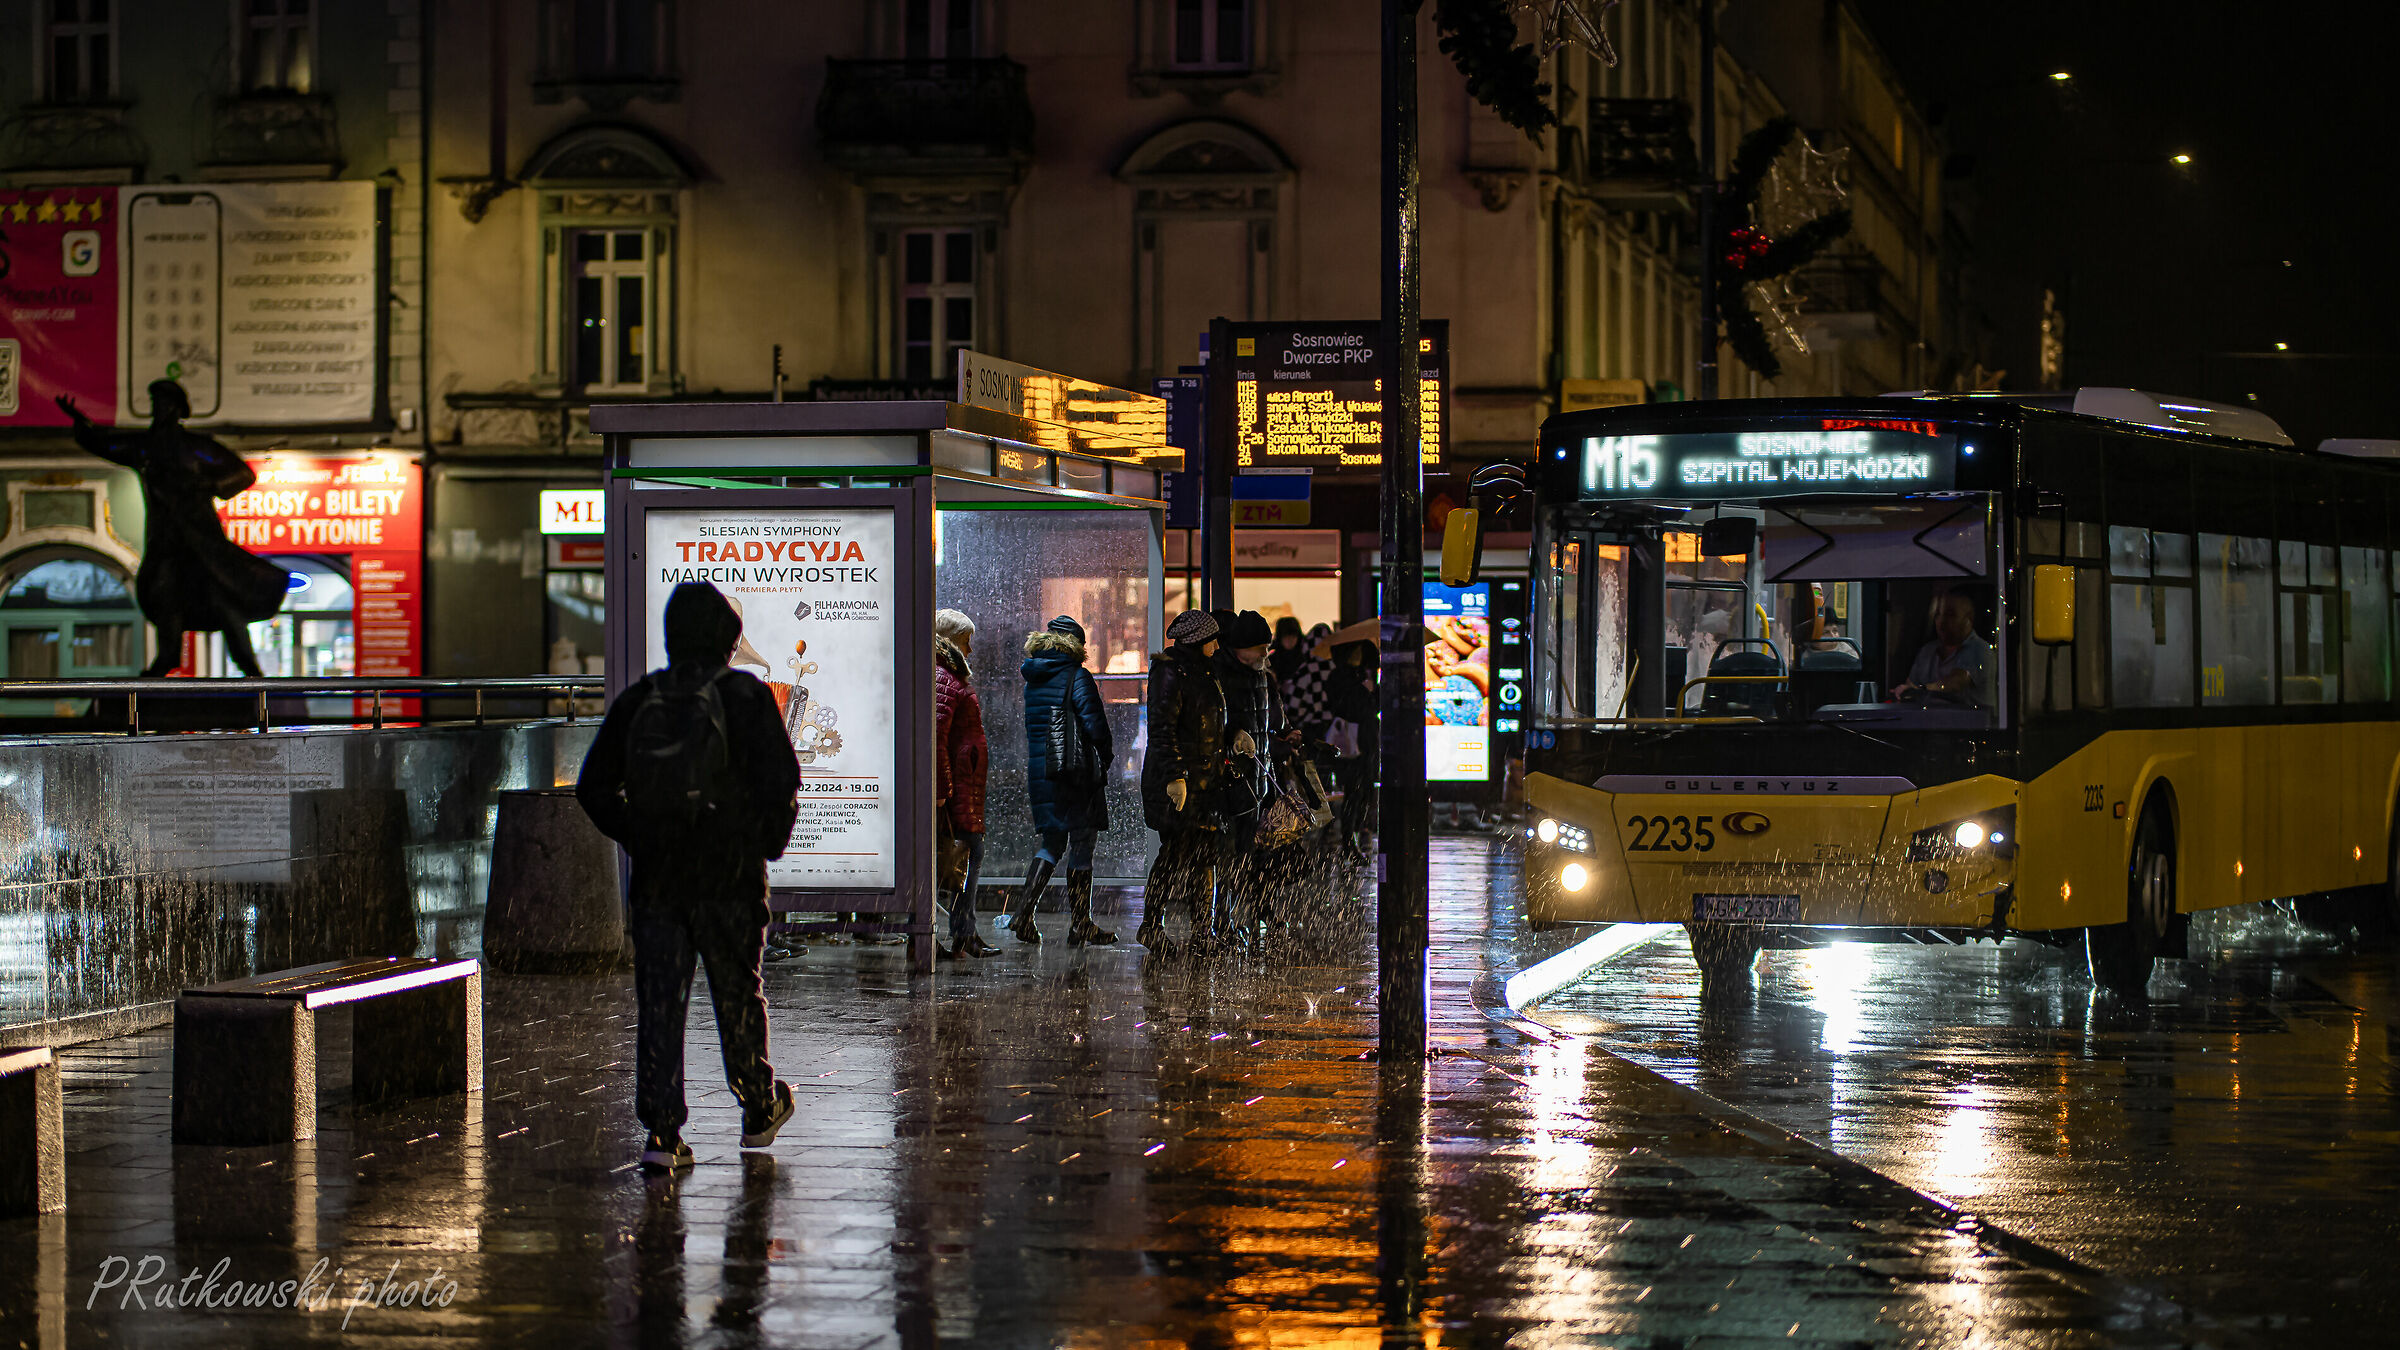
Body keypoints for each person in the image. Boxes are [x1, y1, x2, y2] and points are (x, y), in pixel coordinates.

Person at [577, 581, 799, 1172]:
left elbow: (592, 787)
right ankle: (757, 1106)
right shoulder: (744, 696)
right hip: (729, 877)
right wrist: (759, 843)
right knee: (737, 995)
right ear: (728, 637)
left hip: (658, 882)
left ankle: (661, 1135)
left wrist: (640, 833)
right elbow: (782, 779)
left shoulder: (640, 699)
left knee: (660, 1003)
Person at [57, 383, 290, 677]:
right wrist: (82, 424)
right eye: (156, 402)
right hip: (166, 538)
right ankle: (167, 657)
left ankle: (249, 667)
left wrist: (210, 485)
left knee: (222, 601)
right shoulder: (148, 447)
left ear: (178, 409)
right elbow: (110, 444)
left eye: (165, 403)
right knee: (166, 594)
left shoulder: (198, 447)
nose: (158, 409)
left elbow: (243, 474)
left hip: (201, 539)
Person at [1006, 614, 1118, 946]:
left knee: (1052, 843)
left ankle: (1024, 916)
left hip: (1043, 771)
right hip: (1075, 773)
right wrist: (1105, 760)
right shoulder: (1077, 677)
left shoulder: (1034, 678)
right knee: (1082, 843)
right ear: (1076, 647)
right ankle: (1081, 924)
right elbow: (1095, 726)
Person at [1139, 609, 1228, 957]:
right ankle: (1151, 925)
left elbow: (1214, 721)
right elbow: (1162, 730)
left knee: (1204, 856)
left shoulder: (1205, 671)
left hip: (1205, 782)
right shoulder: (1170, 671)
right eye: (1212, 639)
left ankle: (1202, 931)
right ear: (1198, 641)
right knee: (1175, 854)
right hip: (1179, 783)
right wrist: (1177, 776)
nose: (1217, 645)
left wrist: (1235, 737)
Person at [1211, 611, 1283, 946]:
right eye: (1260, 649)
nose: (1265, 655)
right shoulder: (1221, 673)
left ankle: (1248, 918)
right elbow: (1211, 725)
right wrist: (1233, 735)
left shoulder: (1263, 676)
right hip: (1232, 780)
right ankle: (1222, 921)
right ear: (1241, 648)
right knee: (1230, 856)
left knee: (1251, 856)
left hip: (1259, 778)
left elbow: (1274, 723)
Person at [933, 610, 999, 960]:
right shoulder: (945, 677)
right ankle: (962, 933)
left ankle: (961, 933)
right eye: (965, 641)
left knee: (965, 854)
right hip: (956, 788)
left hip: (961, 785)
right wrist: (942, 791)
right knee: (967, 853)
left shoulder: (946, 675)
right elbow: (937, 736)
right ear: (948, 640)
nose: (970, 650)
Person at [1324, 637, 1380, 857]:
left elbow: (1375, 706)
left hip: (1367, 740)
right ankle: (1349, 839)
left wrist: (1371, 690)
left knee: (1363, 790)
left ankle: (1355, 834)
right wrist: (1364, 691)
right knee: (1352, 791)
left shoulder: (1366, 676)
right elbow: (1344, 706)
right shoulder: (1340, 677)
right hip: (1348, 742)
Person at [1892, 591, 1991, 708]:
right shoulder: (1927, 651)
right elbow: (1910, 687)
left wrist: (1921, 690)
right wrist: (1905, 692)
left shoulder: (1979, 649)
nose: (1942, 621)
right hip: (1927, 722)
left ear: (1968, 619)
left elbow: (1956, 682)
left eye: (1950, 615)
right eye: (1938, 614)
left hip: (1970, 724)